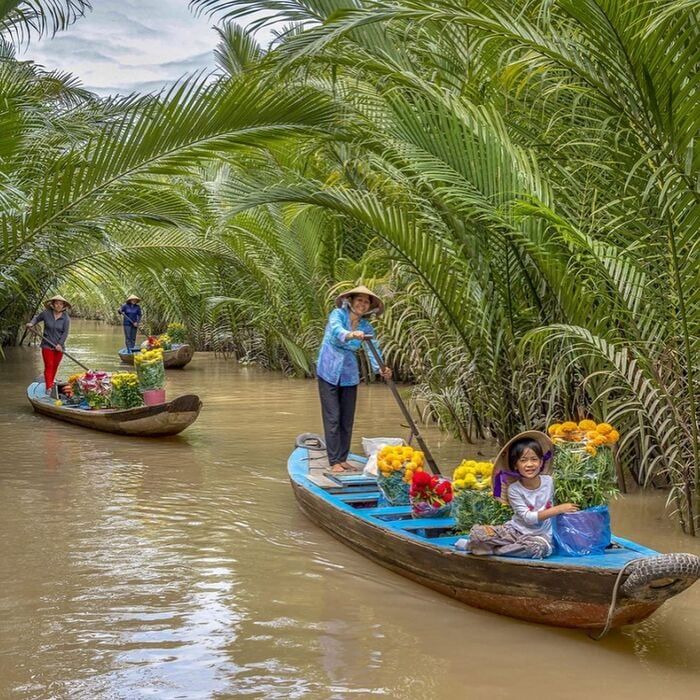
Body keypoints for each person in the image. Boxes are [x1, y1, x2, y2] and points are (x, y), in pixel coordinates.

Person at [463, 431, 579, 559]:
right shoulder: (514, 489)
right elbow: (528, 518)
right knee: (478, 534)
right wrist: (558, 509)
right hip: (514, 532)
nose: (529, 464)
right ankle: (501, 546)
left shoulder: (550, 481)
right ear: (515, 465)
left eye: (534, 459)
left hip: (540, 536)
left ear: (541, 462)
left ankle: (495, 550)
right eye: (523, 460)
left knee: (536, 548)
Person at [317, 285, 392, 473]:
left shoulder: (366, 326)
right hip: (328, 369)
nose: (362, 304)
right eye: (359, 300)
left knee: (347, 419)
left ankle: (343, 458)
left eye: (366, 302)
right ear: (350, 301)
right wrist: (350, 334)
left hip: (349, 374)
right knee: (333, 417)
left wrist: (382, 369)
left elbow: (372, 349)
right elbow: (336, 330)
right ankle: (334, 460)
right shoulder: (337, 315)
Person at [26, 294, 72, 396]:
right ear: (53, 304)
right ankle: (49, 387)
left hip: (59, 348)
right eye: (56, 303)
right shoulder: (46, 314)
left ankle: (50, 383)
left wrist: (60, 344)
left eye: (61, 304)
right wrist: (31, 323)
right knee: (49, 366)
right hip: (47, 345)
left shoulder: (66, 318)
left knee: (55, 366)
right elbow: (36, 318)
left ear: (64, 306)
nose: (58, 305)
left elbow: (65, 333)